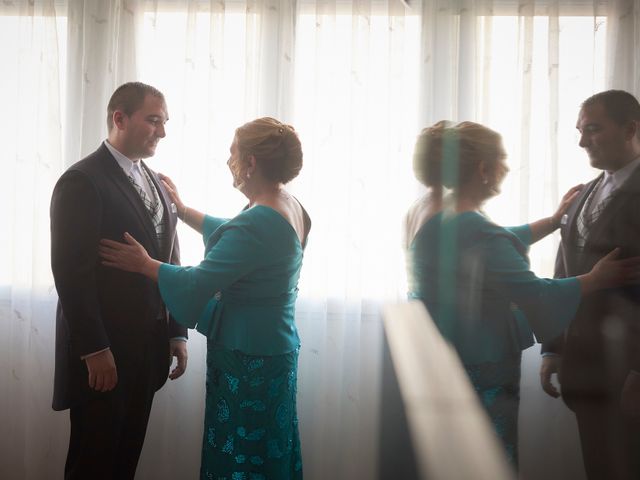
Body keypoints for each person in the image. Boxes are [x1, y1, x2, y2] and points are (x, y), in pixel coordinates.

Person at [404, 120, 640, 467]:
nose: (507, 166)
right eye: (501, 158)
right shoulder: (469, 223)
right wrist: (594, 278)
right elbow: (535, 294)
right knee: (486, 457)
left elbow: (483, 244)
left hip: (440, 349)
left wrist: (551, 221)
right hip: (478, 360)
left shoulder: (429, 206)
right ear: (484, 169)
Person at [99, 117, 310, 479]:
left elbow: (198, 282)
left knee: (241, 450)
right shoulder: (287, 203)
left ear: (251, 163)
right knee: (271, 446)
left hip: (249, 357)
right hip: (275, 347)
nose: (228, 161)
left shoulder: (260, 220)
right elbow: (237, 236)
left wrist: (147, 265)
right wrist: (182, 210)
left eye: (233, 153)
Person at [50, 81, 188, 480]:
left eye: (164, 122)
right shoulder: (82, 181)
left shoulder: (156, 181)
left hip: (148, 350)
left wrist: (176, 331)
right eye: (154, 120)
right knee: (93, 463)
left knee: (125, 461)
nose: (162, 131)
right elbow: (70, 273)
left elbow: (171, 256)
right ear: (119, 118)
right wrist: (94, 348)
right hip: (105, 353)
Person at [539, 90, 640, 480]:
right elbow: (564, 270)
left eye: (593, 130)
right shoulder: (583, 193)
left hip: (628, 369)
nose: (582, 142)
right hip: (584, 369)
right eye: (580, 131)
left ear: (630, 128)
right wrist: (553, 347)